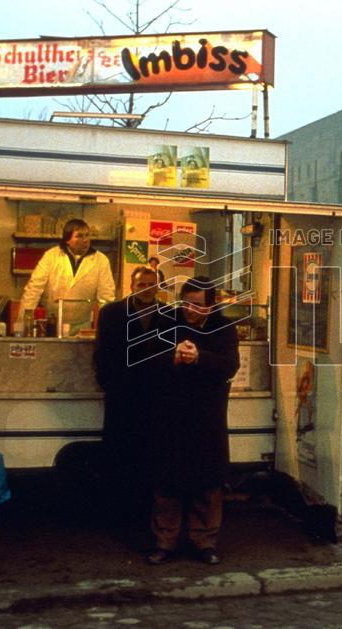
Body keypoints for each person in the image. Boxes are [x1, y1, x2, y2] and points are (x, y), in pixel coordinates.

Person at [147, 276, 240, 566]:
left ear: (211, 305)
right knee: (167, 482)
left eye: (197, 305)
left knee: (208, 483)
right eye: (186, 303)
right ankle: (165, 542)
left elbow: (231, 365)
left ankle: (205, 542)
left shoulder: (224, 328)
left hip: (207, 415)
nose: (190, 310)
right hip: (170, 413)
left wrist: (200, 357)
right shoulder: (166, 323)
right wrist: (173, 358)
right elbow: (146, 359)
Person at [93, 265, 169, 531]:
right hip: (122, 398)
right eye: (141, 285)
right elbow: (102, 354)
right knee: (119, 457)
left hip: (155, 400)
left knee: (151, 459)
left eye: (151, 284)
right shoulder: (111, 313)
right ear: (131, 287)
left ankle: (146, 518)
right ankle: (117, 518)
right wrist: (112, 385)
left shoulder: (169, 314)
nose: (147, 289)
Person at [19, 219, 116, 335]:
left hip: (82, 325)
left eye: (87, 235)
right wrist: (22, 324)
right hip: (52, 324)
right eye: (79, 236)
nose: (85, 240)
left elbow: (106, 298)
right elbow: (33, 290)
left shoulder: (101, 260)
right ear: (67, 239)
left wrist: (108, 329)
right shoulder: (51, 256)